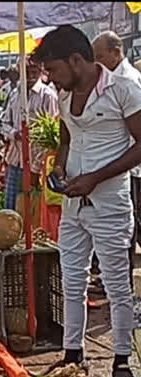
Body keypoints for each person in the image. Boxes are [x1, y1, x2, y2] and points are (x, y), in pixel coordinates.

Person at [33, 25, 141, 377]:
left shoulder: (123, 90)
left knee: (116, 286)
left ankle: (122, 361)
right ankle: (72, 353)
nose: (50, 78)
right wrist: (59, 168)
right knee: (71, 280)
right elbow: (66, 138)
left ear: (76, 60)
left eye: (54, 69)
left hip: (110, 204)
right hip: (73, 204)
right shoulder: (64, 95)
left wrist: (95, 178)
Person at [93, 30, 141, 288]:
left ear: (116, 52)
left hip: (131, 167)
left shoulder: (126, 81)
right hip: (124, 166)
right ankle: (115, 279)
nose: (97, 63)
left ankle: (121, 282)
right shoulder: (111, 80)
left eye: (100, 57)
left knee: (127, 227)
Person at [0, 57, 59, 210]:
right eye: (27, 71)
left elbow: (52, 135)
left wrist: (36, 168)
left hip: (36, 163)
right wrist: (14, 134)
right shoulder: (14, 94)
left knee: (32, 210)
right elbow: (5, 123)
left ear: (40, 71)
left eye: (34, 71)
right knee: (11, 208)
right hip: (15, 161)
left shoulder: (48, 96)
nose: (31, 76)